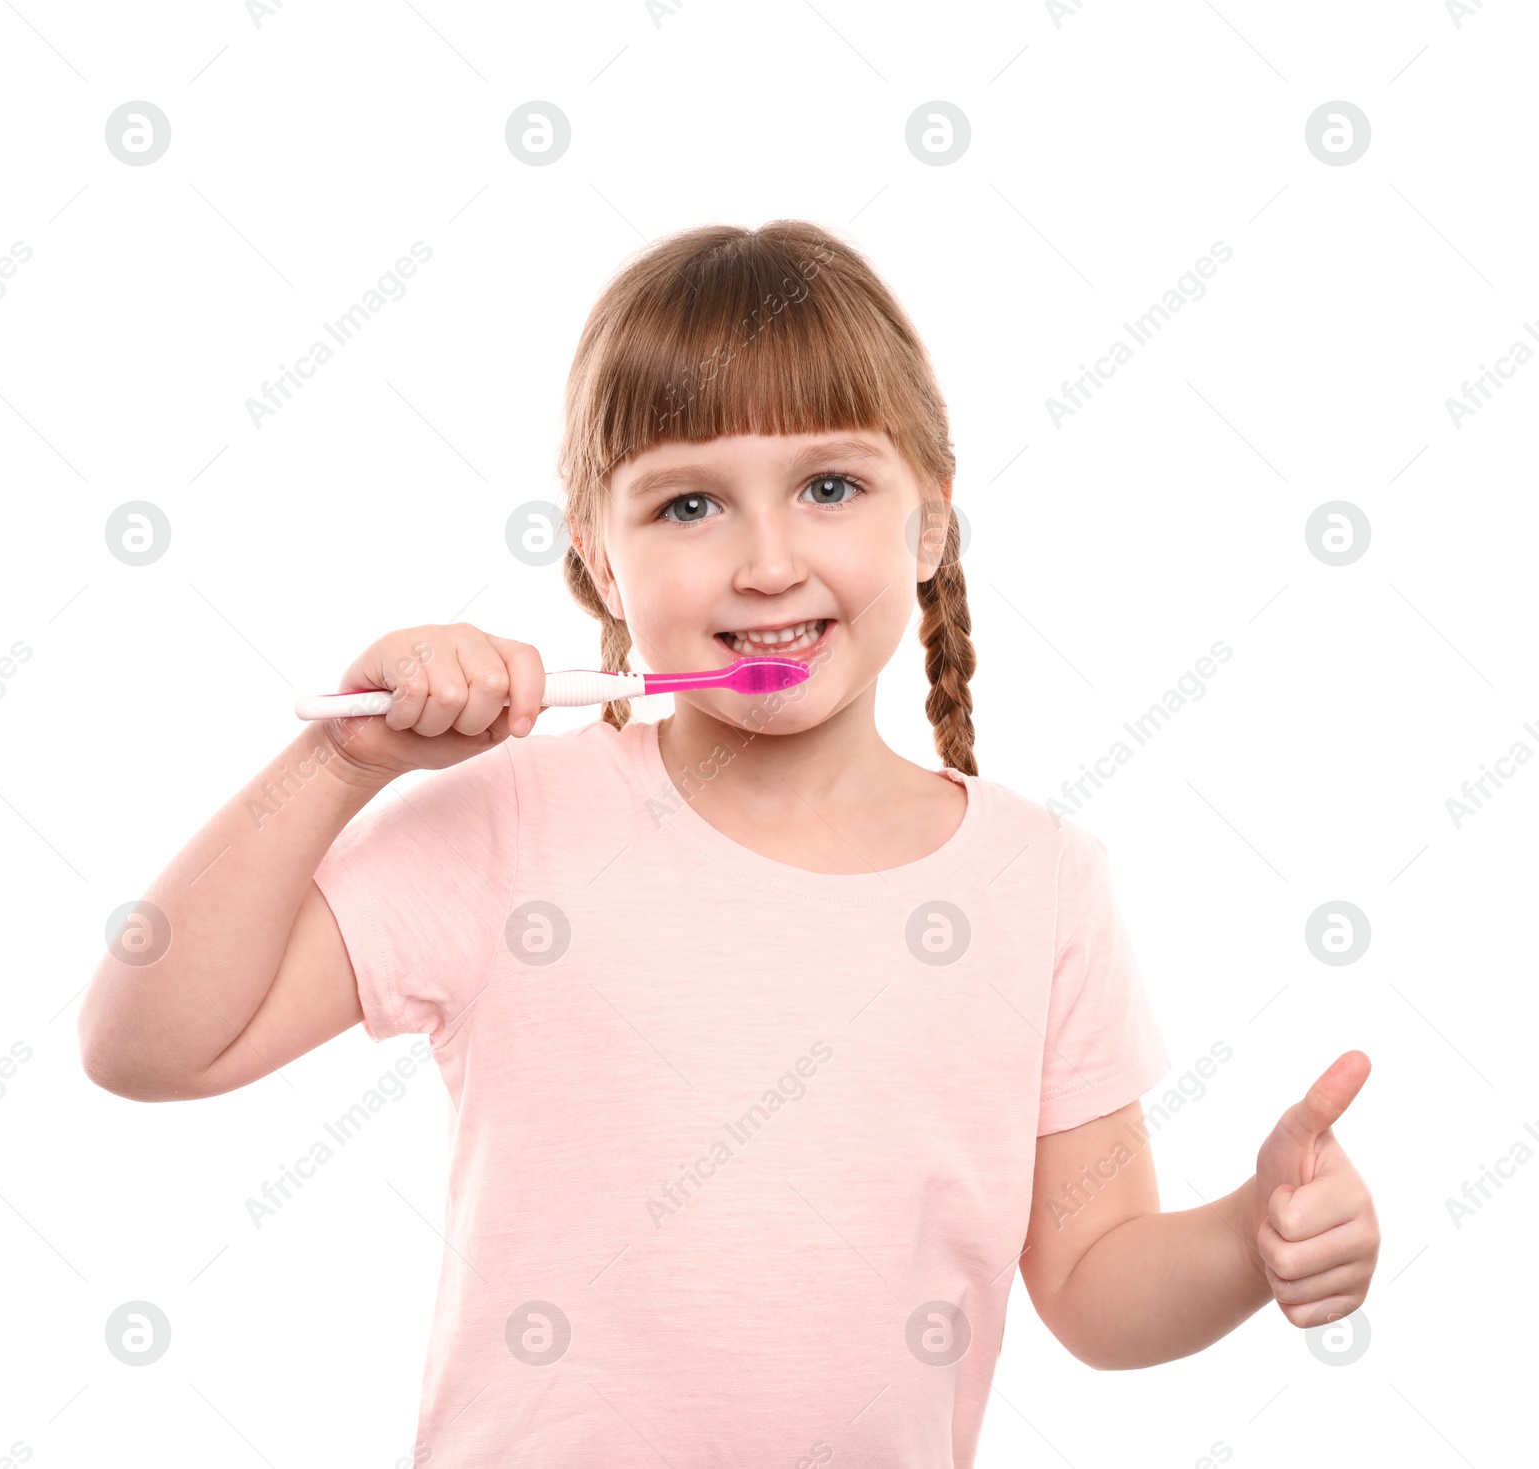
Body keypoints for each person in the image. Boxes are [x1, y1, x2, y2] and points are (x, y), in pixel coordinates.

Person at [79, 220, 1378, 1467]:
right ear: (596, 554)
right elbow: (146, 1040)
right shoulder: (513, 824)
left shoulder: (1040, 885)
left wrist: (1250, 1241)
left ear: (926, 521)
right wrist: (341, 758)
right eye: (689, 504)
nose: (766, 561)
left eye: (829, 486)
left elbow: (1097, 1284)